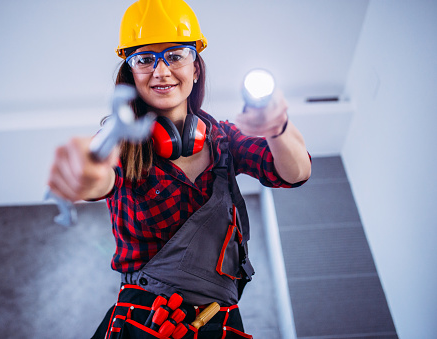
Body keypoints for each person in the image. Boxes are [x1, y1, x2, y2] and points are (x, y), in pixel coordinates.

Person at [47, 0, 311, 337]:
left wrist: (278, 128)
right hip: (143, 318)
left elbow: (295, 173)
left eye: (175, 55)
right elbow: (96, 176)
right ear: (131, 74)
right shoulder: (122, 142)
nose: (161, 71)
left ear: (196, 67)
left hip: (221, 319)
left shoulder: (224, 138)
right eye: (144, 59)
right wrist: (83, 169)